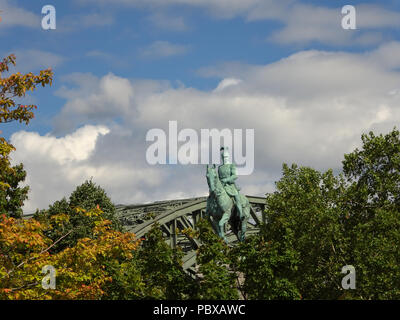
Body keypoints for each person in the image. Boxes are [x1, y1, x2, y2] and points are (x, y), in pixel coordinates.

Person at [218, 147, 244, 220]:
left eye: (226, 157)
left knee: (237, 197)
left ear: (228, 157)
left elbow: (235, 176)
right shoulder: (220, 167)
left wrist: (226, 180)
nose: (224, 158)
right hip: (222, 186)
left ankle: (240, 213)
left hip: (230, 186)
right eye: (223, 157)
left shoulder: (232, 165)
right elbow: (219, 178)